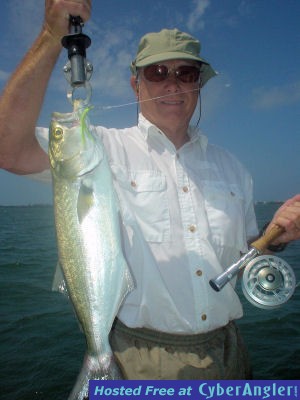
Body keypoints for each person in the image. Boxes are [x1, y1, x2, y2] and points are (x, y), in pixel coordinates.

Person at [0, 0, 300, 380]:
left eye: (186, 72)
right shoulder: (98, 149)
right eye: (157, 72)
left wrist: (277, 239)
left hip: (229, 355)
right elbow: (7, 149)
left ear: (199, 84)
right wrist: (49, 36)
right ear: (135, 84)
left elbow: (242, 261)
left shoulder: (233, 169)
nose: (172, 83)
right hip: (137, 361)